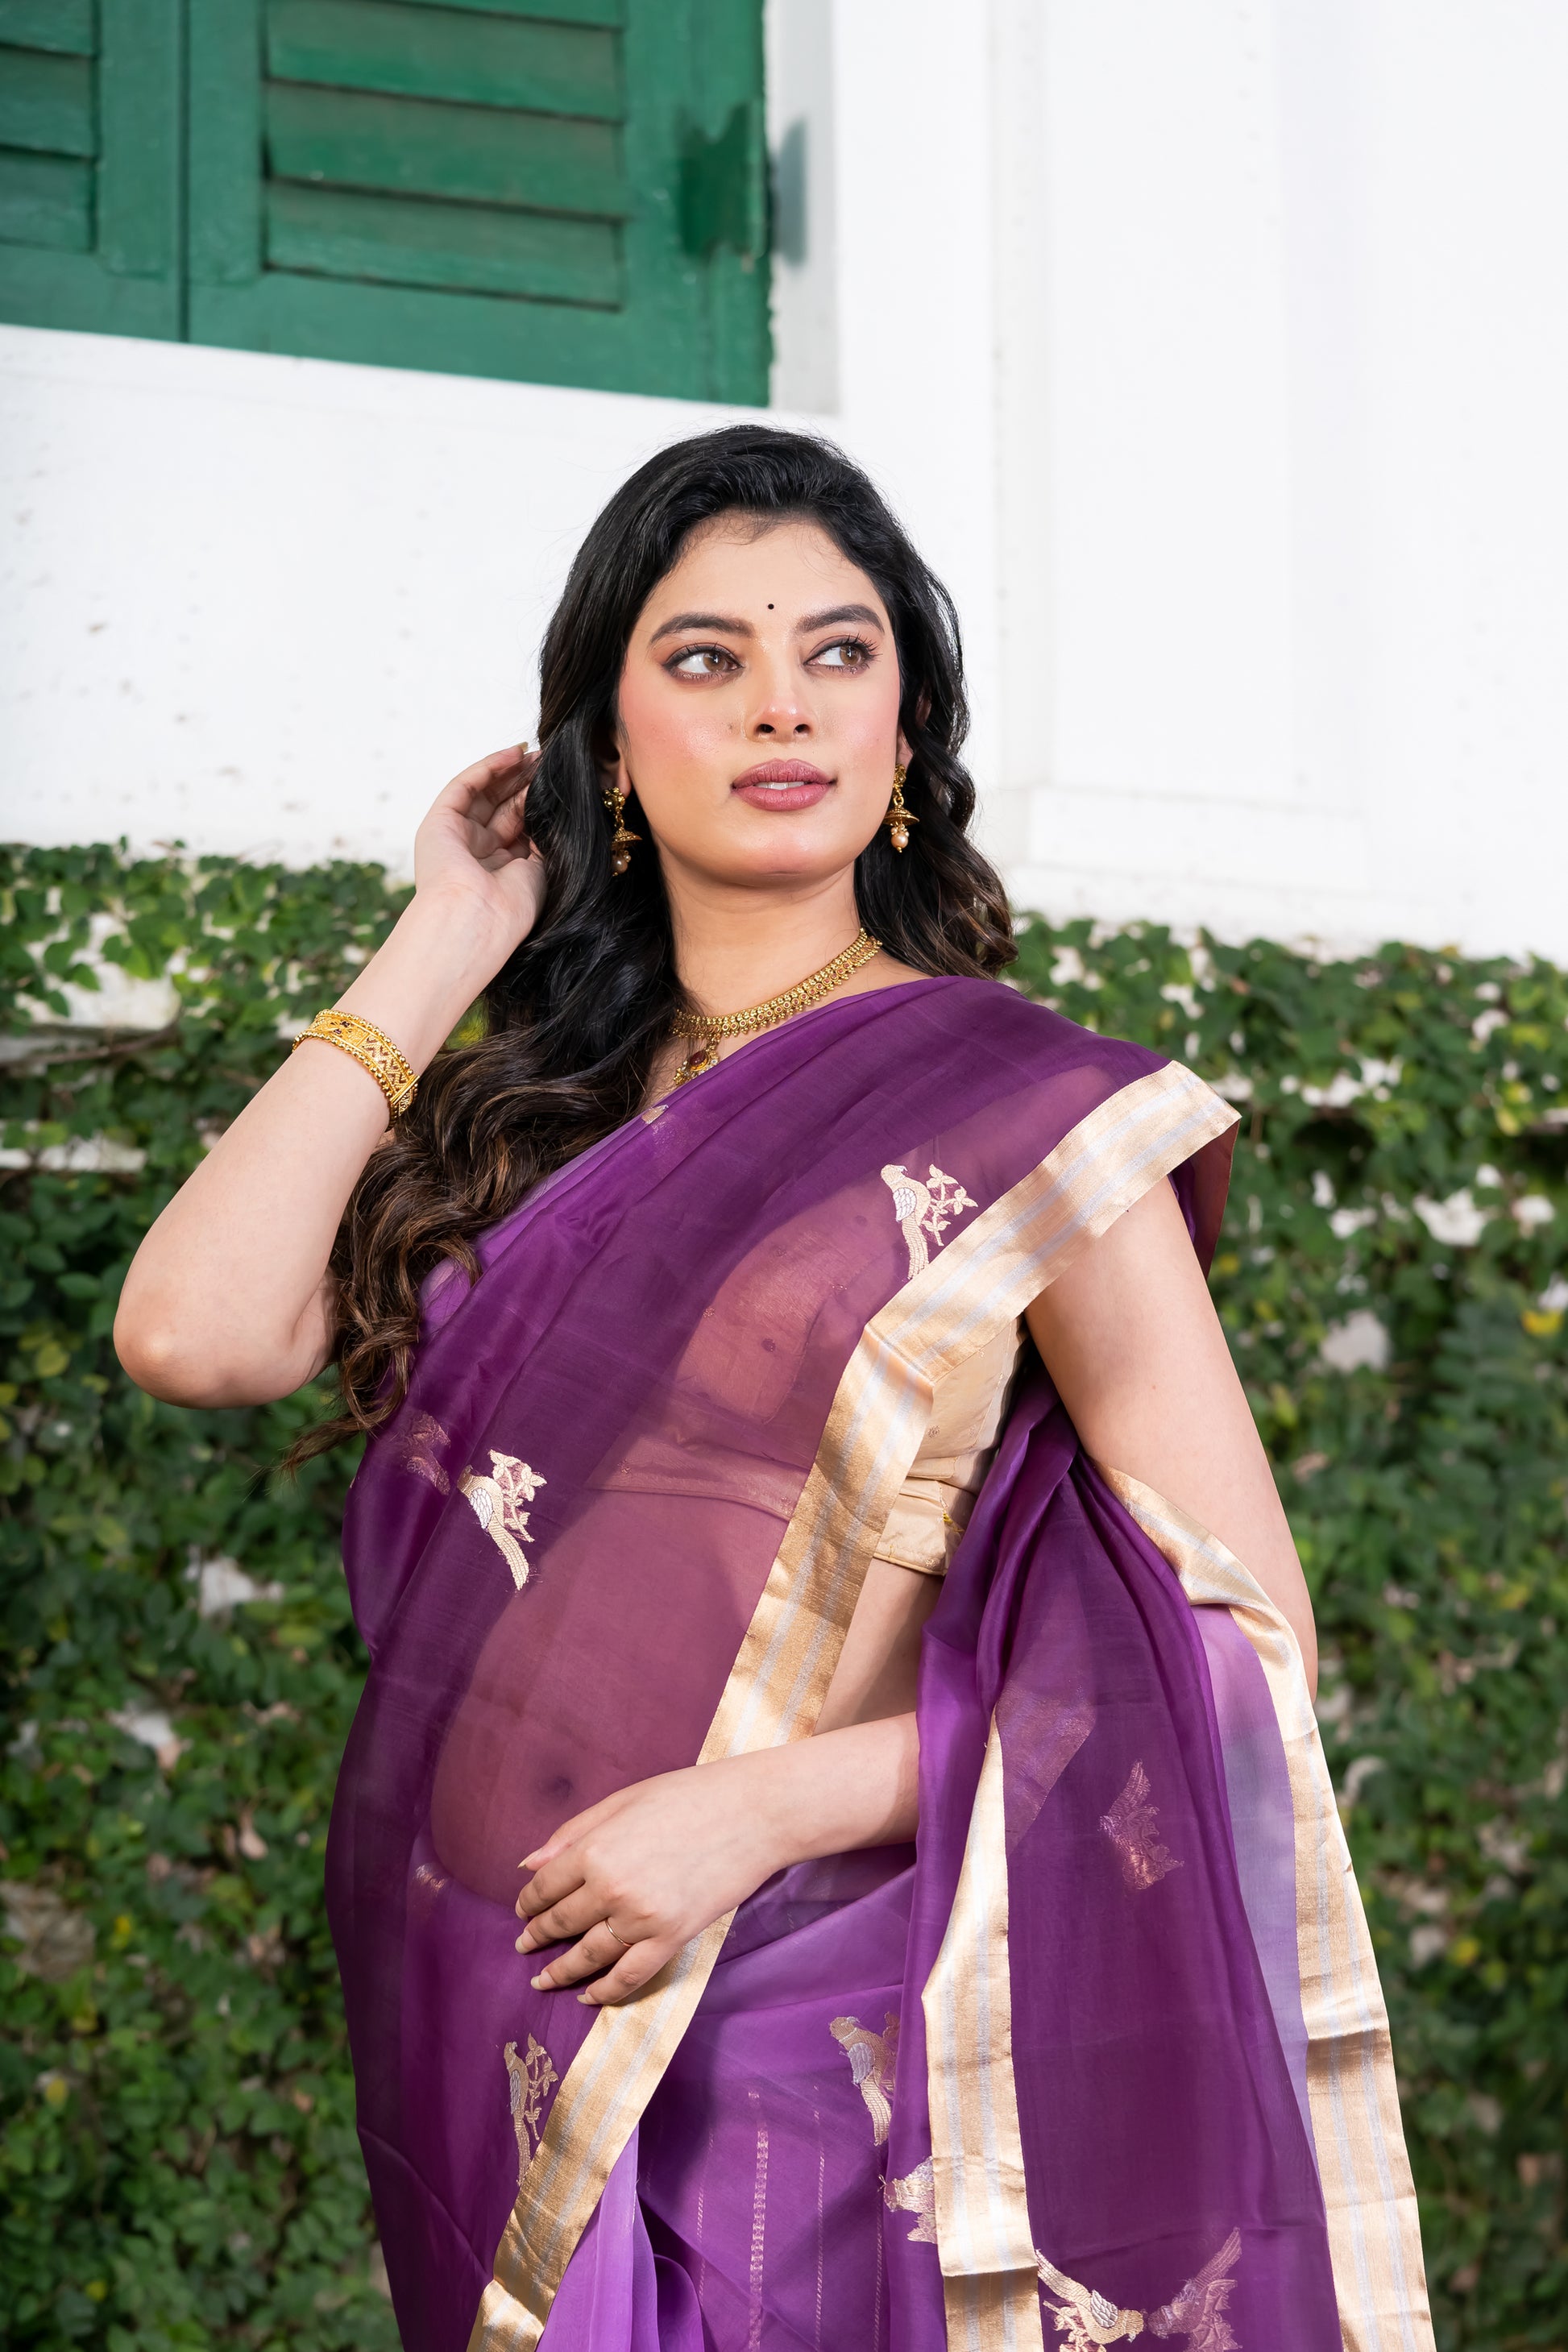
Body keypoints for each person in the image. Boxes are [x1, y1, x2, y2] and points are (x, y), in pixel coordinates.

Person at [116, 427, 1432, 2352]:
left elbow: (1247, 1644)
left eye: (837, 650)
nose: (780, 705)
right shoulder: (535, 1117)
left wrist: (751, 1810)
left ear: (905, 730)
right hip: (498, 2006)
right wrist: (451, 924)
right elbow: (197, 1332)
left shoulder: (1024, 1113)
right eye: (703, 656)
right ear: (605, 740)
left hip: (820, 2056)